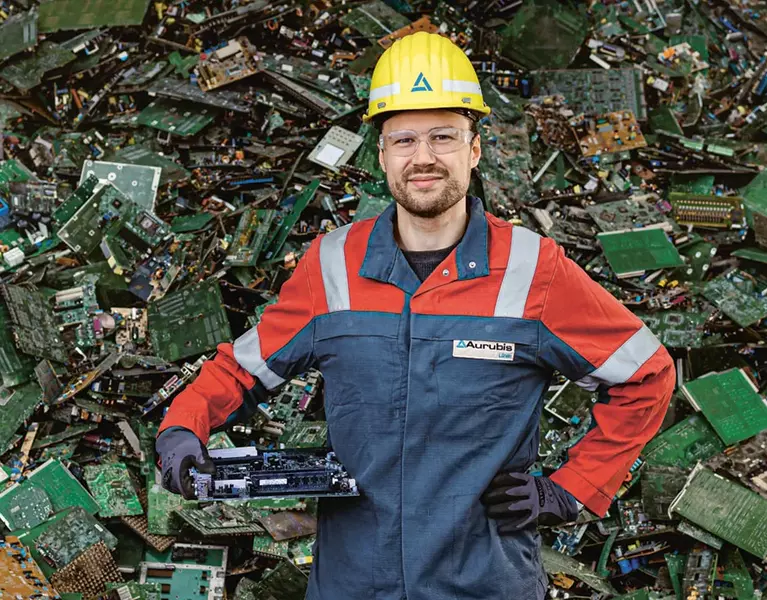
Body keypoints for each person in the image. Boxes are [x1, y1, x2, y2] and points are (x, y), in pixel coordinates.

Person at [156, 31, 676, 600]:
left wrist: (570, 489)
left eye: (443, 136)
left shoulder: (534, 269)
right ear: (381, 156)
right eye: (403, 139)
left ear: (474, 150)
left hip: (484, 582)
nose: (423, 157)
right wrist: (183, 427)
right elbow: (241, 371)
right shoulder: (332, 264)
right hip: (353, 583)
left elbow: (646, 375)